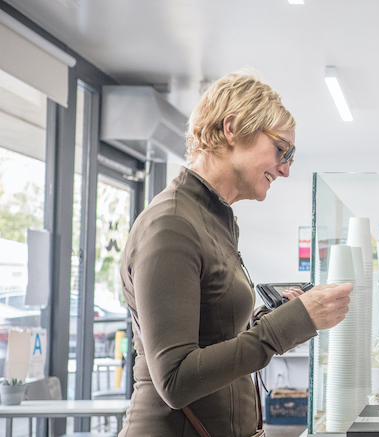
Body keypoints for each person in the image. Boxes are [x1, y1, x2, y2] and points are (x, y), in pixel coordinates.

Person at [118, 70, 352, 436]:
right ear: (232, 128)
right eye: (281, 149)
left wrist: (269, 318)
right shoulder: (172, 225)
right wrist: (286, 325)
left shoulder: (212, 219)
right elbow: (176, 379)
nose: (286, 168)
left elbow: (214, 337)